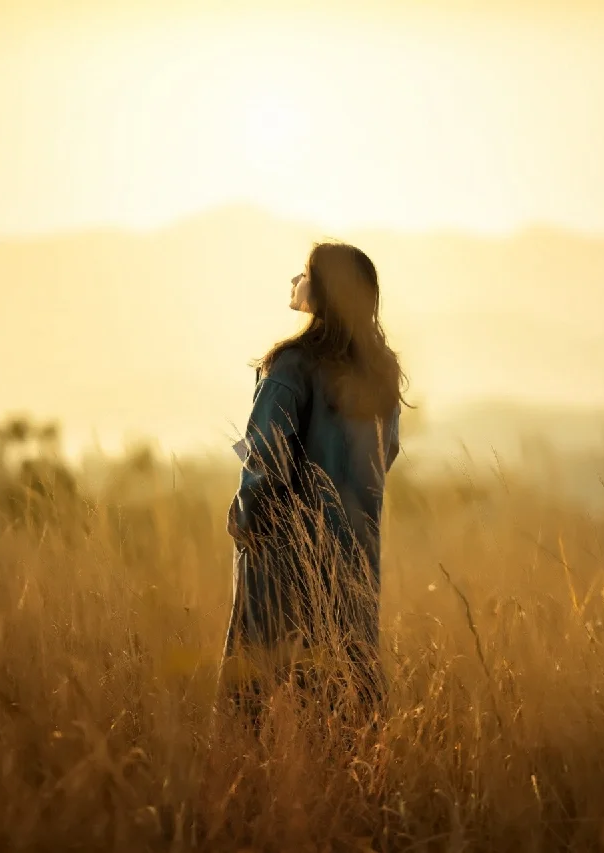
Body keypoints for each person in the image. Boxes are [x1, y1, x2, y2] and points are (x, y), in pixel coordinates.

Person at [219, 242, 405, 731]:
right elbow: (387, 456)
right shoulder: (380, 371)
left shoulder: (290, 366)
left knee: (258, 700)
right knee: (348, 698)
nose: (296, 281)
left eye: (303, 273)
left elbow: (263, 459)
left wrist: (243, 519)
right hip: (356, 555)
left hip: (283, 557)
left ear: (321, 290)